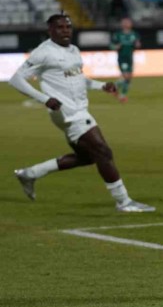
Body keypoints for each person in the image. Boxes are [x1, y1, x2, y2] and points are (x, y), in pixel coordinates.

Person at [9, 14, 155, 213]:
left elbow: (78, 78)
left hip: (78, 109)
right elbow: (16, 79)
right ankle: (124, 201)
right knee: (103, 152)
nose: (65, 31)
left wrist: (101, 86)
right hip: (67, 112)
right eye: (60, 27)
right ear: (50, 31)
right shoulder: (43, 53)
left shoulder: (73, 50)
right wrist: (44, 99)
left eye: (68, 27)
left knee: (88, 157)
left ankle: (30, 173)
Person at [110, 17, 141, 103]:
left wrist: (137, 45)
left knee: (129, 77)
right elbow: (111, 45)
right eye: (125, 22)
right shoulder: (118, 35)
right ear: (122, 24)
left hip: (130, 57)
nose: (127, 24)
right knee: (126, 76)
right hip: (122, 57)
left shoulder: (134, 34)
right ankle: (116, 89)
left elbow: (137, 44)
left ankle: (121, 94)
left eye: (128, 22)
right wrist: (116, 47)